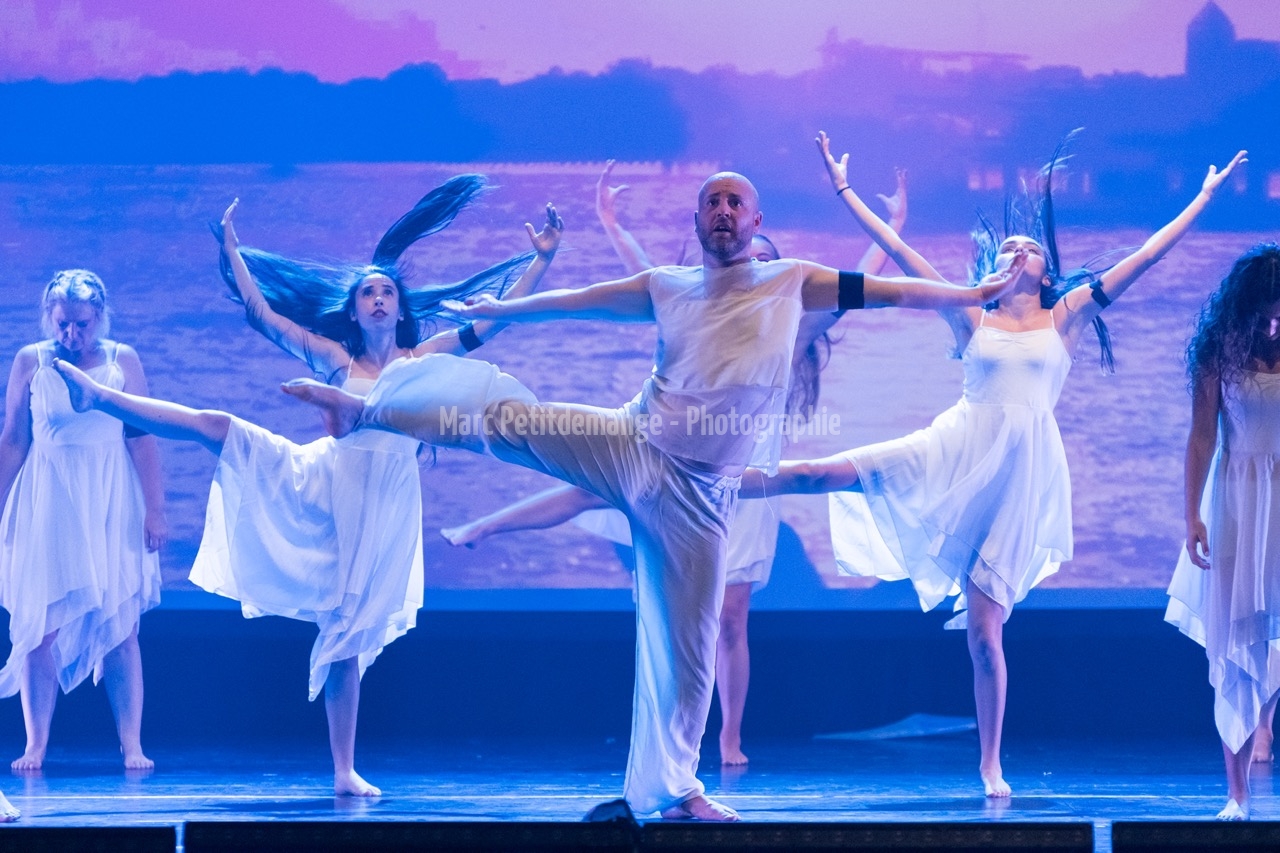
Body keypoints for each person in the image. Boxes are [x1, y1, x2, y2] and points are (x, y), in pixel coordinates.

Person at [210, 169, 1027, 821]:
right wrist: (510, 305)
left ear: (756, 219)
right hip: (635, 445)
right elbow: (586, 304)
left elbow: (892, 294)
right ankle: (368, 408)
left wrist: (968, 297)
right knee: (509, 418)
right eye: (711, 202)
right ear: (698, 221)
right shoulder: (668, 284)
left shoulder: (793, 281)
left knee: (691, 650)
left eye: (735, 202)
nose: (722, 211)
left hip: (703, 495)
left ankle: (678, 785)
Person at [738, 133, 1247, 798]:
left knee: (984, 634)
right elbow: (900, 257)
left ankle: (989, 763)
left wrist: (1203, 199)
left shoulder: (1065, 316)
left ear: (1044, 268)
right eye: (1007, 247)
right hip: (956, 451)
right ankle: (721, 481)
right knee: (820, 473)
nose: (1015, 250)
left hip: (1018, 480)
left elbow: (1146, 256)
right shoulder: (969, 313)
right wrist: (844, 190)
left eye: (1026, 247)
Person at [53, 183, 558, 798]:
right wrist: (233, 251)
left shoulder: (422, 358)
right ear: (354, 310)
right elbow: (264, 316)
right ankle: (99, 395)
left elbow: (489, 325)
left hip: (387, 505)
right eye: (367, 293)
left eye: (387, 292)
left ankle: (344, 770)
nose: (378, 299)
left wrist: (542, 261)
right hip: (325, 483)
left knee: (348, 636)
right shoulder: (335, 358)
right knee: (218, 426)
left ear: (400, 309)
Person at [440, 160, 909, 767]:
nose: (755, 268)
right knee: (592, 492)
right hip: (678, 454)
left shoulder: (790, 322)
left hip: (739, 479)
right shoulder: (695, 297)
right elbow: (647, 282)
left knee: (730, 618)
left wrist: (891, 228)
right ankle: (489, 524)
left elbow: (859, 285)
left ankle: (728, 736)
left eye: (766, 261)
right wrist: (613, 223)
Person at [0, 270, 166, 771]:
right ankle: (35, 744)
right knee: (40, 627)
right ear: (49, 319)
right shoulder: (31, 361)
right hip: (50, 497)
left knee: (121, 626)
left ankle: (132, 743)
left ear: (100, 317)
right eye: (63, 325)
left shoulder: (122, 360)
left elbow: (142, 434)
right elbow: (14, 439)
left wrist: (156, 508)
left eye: (82, 324)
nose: (72, 334)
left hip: (111, 497)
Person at [1166, 243, 1280, 821]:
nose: (1273, 321)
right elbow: (1201, 437)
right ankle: (1237, 794)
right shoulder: (1219, 350)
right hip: (1238, 501)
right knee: (1234, 643)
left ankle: (1266, 727)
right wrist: (1192, 515)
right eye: (1266, 308)